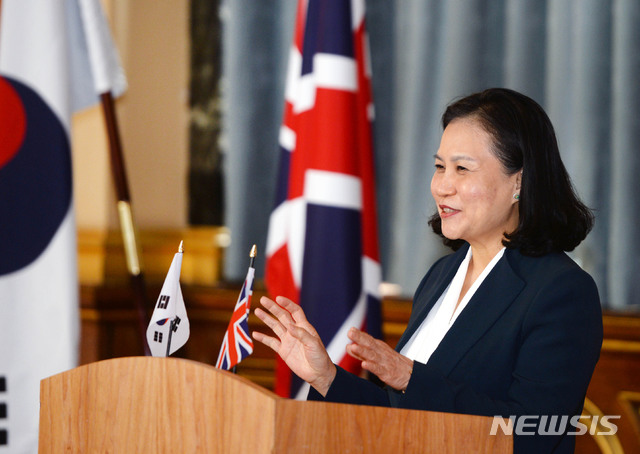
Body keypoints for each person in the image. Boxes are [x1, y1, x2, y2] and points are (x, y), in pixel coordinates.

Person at [253, 88, 603, 454]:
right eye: (439, 167)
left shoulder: (561, 291)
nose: (442, 186)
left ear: (519, 181)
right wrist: (325, 376)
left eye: (462, 168)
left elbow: (534, 435)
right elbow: (399, 418)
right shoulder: (442, 274)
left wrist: (409, 377)